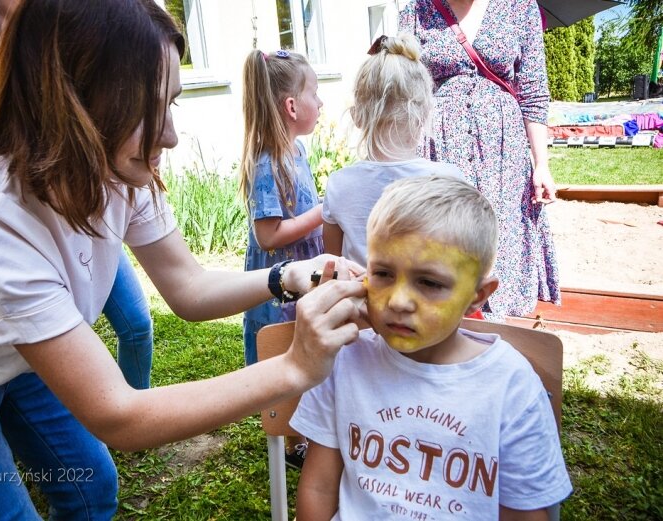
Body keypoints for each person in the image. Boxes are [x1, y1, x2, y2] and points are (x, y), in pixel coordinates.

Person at [0, 1, 365, 518]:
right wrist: (295, 367)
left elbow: (188, 287)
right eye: (146, 109)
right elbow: (118, 414)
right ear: (69, 102)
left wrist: (286, 276)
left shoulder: (113, 161)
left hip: (10, 354)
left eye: (172, 103)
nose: (171, 136)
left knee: (91, 488)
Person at [291, 174, 572, 520]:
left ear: (477, 297)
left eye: (429, 282)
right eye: (383, 274)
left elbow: (525, 514)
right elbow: (318, 486)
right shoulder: (345, 359)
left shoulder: (510, 386)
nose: (399, 300)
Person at [0, 0, 155, 391]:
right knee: (55, 348)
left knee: (137, 324)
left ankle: (135, 405)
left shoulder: (64, 43)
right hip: (32, 233)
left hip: (81, 221)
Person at [398, 0, 560, 321]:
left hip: (505, 153)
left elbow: (533, 90)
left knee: (503, 233)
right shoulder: (416, 10)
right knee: (448, 237)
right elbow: (405, 90)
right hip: (440, 147)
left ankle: (500, 332)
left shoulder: (519, 6)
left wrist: (541, 164)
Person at [239, 48, 325, 467]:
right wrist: (322, 214)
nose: (321, 102)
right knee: (282, 356)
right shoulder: (268, 162)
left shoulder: (297, 151)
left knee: (303, 350)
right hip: (278, 288)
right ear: (292, 106)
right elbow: (269, 235)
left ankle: (298, 434)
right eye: (315, 93)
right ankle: (289, 443)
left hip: (300, 279)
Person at [322, 32, 462, 267]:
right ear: (424, 113)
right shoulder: (452, 180)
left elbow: (334, 266)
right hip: (430, 303)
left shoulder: (339, 184)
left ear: (357, 117)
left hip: (363, 303)